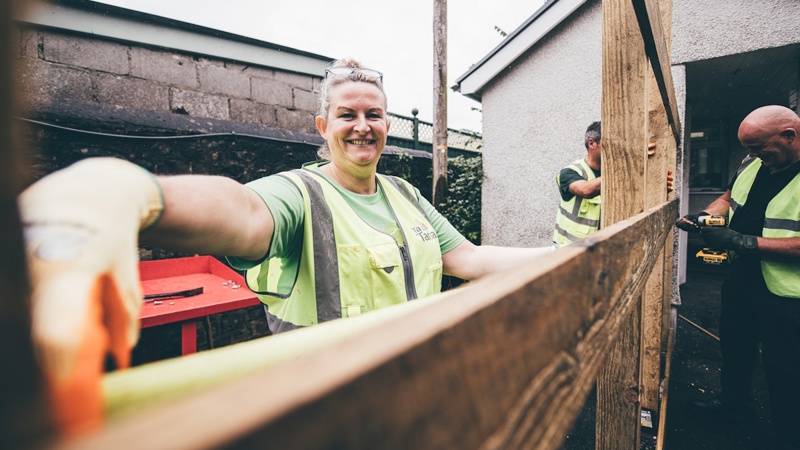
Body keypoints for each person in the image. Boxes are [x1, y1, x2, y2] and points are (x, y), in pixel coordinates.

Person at [19, 58, 554, 434]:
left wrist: (573, 255)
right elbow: (243, 211)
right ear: (324, 126)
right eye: (347, 114)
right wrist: (134, 191)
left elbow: (469, 258)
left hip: (410, 392)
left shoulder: (404, 193)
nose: (362, 126)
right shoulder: (300, 193)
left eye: (373, 114)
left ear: (388, 125)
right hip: (325, 412)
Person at [676, 105, 800, 449]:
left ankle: (790, 434)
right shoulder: (756, 163)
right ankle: (735, 405)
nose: (751, 154)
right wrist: (704, 215)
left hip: (788, 293)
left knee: (786, 367)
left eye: (758, 146)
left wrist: (745, 241)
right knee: (735, 346)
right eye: (748, 147)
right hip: (743, 277)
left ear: (789, 136)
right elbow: (729, 198)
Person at [553, 121, 602, 245]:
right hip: (568, 250)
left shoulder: (613, 171)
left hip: (598, 250)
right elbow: (585, 190)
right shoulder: (568, 173)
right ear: (592, 143)